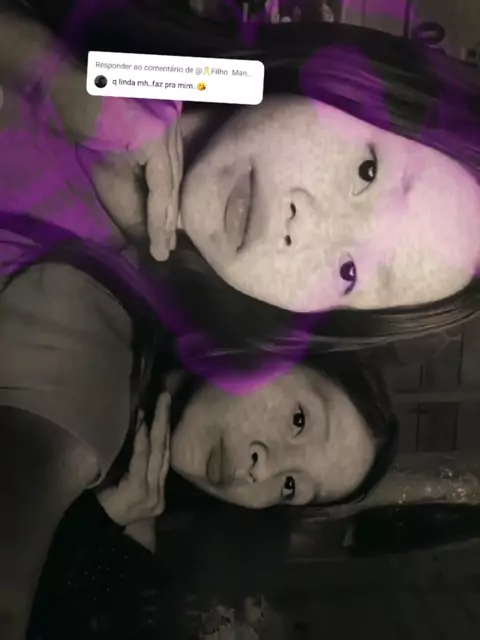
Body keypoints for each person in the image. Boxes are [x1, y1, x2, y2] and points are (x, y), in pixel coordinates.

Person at [2, 0, 480, 354]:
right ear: (346, 82)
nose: (302, 226)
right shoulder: (149, 42)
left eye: (348, 272)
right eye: (366, 172)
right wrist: (48, 73)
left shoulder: (92, 331)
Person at [26, 345, 397, 639]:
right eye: (298, 420)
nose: (262, 470)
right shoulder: (91, 338)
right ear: (272, 348)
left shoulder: (127, 541)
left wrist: (95, 527)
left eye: (291, 487)